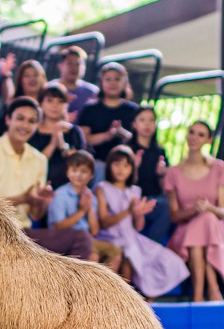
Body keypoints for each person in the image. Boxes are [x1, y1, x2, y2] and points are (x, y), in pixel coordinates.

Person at [0, 96, 93, 260]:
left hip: (24, 233)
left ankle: (62, 286)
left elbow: (35, 215)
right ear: (8, 119)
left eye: (32, 121)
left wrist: (40, 201)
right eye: (20, 119)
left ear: (36, 125)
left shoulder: (39, 159)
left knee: (82, 239)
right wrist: (23, 198)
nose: (25, 126)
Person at [95, 145, 189, 299]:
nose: (121, 169)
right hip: (110, 237)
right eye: (116, 164)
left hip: (132, 237)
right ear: (109, 165)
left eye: (126, 165)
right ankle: (126, 298)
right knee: (130, 253)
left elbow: (138, 226)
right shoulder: (102, 188)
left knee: (168, 260)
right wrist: (128, 211)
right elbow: (104, 222)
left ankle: (147, 297)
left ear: (132, 169)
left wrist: (139, 214)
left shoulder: (135, 191)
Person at [164, 120, 224, 302]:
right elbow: (174, 215)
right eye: (192, 132)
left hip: (216, 229)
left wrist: (208, 208)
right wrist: (193, 210)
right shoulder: (173, 172)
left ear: (209, 140)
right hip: (185, 231)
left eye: (200, 134)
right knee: (202, 223)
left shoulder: (219, 168)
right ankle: (213, 289)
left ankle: (199, 295)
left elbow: (221, 211)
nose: (194, 137)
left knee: (207, 219)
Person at [48, 150, 122, 272]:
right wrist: (82, 211)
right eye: (74, 170)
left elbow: (94, 231)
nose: (78, 175)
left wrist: (89, 209)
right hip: (65, 239)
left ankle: (103, 289)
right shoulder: (60, 195)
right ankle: (85, 290)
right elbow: (58, 226)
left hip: (88, 239)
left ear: (91, 175)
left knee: (116, 252)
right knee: (92, 256)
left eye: (84, 171)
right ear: (67, 172)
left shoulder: (91, 197)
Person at [78, 61, 138, 185]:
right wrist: (107, 135)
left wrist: (121, 133)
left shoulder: (133, 110)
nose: (113, 83)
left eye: (117, 79)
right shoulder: (90, 109)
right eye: (108, 79)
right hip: (97, 162)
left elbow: (139, 139)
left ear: (124, 82)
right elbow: (84, 139)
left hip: (125, 165)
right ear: (101, 82)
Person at [29, 82, 86, 190]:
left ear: (66, 105)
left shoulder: (74, 132)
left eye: (60, 102)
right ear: (41, 103)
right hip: (37, 186)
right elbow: (32, 164)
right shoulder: (32, 131)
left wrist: (63, 146)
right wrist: (52, 143)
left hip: (69, 188)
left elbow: (81, 165)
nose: (55, 106)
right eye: (50, 101)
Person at [128, 104, 173, 243]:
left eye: (151, 120)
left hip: (154, 198)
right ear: (134, 124)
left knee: (167, 204)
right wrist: (134, 168)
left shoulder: (160, 151)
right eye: (142, 120)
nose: (147, 124)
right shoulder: (127, 149)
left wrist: (162, 174)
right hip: (132, 198)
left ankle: (152, 247)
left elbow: (163, 187)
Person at [53, 45, 98, 122]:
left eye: (78, 64)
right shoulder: (50, 88)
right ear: (60, 66)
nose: (74, 67)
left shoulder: (93, 92)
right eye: (70, 63)